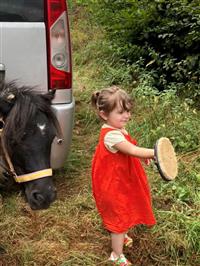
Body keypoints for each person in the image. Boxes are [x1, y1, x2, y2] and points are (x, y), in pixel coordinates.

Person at [91, 86, 156, 265]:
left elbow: (129, 151)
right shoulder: (111, 135)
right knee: (118, 216)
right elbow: (133, 149)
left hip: (121, 180)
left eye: (128, 110)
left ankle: (121, 234)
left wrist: (142, 159)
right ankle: (116, 255)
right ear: (104, 115)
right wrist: (154, 152)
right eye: (121, 112)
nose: (126, 115)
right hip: (111, 184)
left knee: (125, 207)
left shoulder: (119, 129)